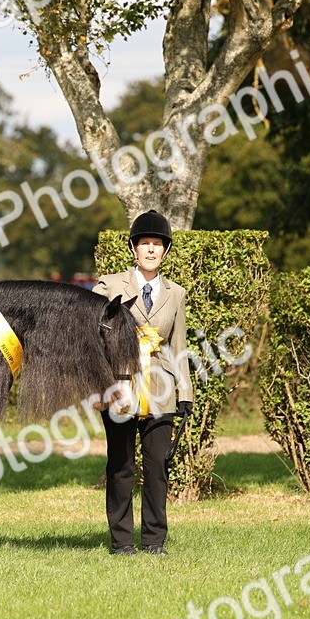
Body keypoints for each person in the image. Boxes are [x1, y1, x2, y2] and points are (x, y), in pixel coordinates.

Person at [92, 210, 193, 556]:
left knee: (157, 468)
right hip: (120, 388)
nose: (151, 249)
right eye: (145, 243)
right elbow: (93, 337)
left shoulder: (176, 294)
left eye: (157, 244)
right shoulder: (108, 285)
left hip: (161, 389)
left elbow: (179, 346)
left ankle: (153, 540)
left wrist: (186, 391)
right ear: (134, 248)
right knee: (121, 466)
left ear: (165, 251)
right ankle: (121, 541)